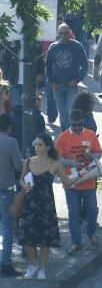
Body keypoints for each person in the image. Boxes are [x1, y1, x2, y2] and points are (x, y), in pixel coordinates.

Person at [18, 133, 70, 280]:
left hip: (46, 205)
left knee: (45, 239)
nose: (36, 147)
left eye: (40, 144)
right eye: (35, 144)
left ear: (47, 147)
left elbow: (67, 180)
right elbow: (21, 179)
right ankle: (33, 264)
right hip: (30, 204)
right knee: (27, 237)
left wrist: (82, 175)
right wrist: (24, 185)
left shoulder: (55, 163)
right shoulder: (28, 162)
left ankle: (42, 268)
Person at [56, 110, 102, 255]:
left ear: (83, 122)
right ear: (70, 122)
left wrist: (92, 155)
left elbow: (99, 153)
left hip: (88, 180)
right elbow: (57, 159)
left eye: (80, 125)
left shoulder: (90, 134)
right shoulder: (62, 137)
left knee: (93, 209)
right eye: (74, 125)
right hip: (71, 182)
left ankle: (91, 232)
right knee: (74, 213)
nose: (77, 128)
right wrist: (73, 163)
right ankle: (76, 242)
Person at [44, 24, 88, 131]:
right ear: (58, 34)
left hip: (71, 85)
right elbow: (48, 66)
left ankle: (70, 132)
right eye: (60, 33)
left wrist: (77, 79)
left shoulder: (77, 46)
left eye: (65, 33)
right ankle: (64, 132)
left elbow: (85, 65)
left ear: (70, 32)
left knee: (70, 110)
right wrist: (51, 81)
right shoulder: (53, 47)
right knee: (62, 113)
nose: (63, 35)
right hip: (57, 86)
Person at [0, 113, 22, 277]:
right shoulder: (11, 142)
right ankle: (5, 263)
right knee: (7, 228)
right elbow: (18, 166)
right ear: (9, 126)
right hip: (5, 190)